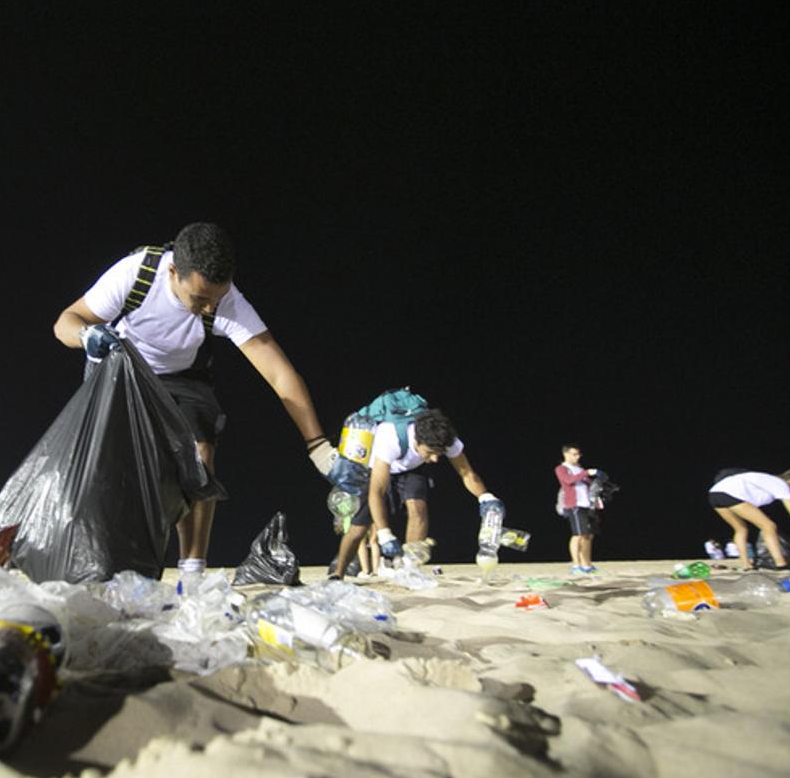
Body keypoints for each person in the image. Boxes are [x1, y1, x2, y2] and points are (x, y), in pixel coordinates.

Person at [54, 223, 336, 581]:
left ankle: (192, 570)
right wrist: (86, 333)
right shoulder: (136, 273)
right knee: (116, 470)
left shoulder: (226, 300)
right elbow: (65, 321)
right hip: (123, 367)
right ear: (173, 272)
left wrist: (318, 445)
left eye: (216, 300)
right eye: (200, 300)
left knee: (200, 454)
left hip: (182, 375)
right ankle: (109, 563)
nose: (209, 307)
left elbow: (280, 374)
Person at [329, 409, 501, 580]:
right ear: (417, 441)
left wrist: (486, 496)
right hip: (376, 468)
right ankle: (338, 573)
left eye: (438, 453)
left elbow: (467, 474)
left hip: (412, 468)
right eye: (430, 452)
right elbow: (377, 493)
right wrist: (384, 533)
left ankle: (409, 569)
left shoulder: (447, 439)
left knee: (418, 508)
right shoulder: (391, 438)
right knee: (359, 526)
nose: (435, 459)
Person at [707, 468, 790, 570]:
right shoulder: (781, 485)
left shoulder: (769, 480)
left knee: (741, 529)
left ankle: (746, 565)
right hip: (730, 493)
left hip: (714, 494)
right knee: (769, 526)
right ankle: (781, 564)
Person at [555, 445, 599, 575]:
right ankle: (576, 566)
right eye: (574, 454)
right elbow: (568, 481)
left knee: (588, 536)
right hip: (574, 505)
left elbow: (587, 484)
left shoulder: (579, 468)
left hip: (587, 505)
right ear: (566, 454)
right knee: (577, 535)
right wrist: (586, 473)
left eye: (578, 454)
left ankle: (587, 565)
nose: (577, 456)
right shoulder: (561, 468)